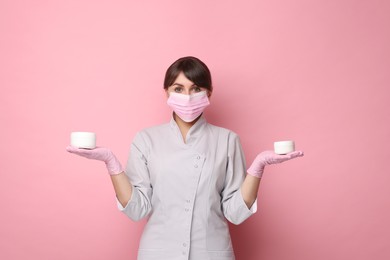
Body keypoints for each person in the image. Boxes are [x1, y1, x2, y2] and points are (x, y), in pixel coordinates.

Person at [66, 56, 304, 260]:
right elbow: (137, 210)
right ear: (166, 92)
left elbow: (235, 212)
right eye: (178, 89)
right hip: (158, 252)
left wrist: (258, 168)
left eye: (196, 88)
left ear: (208, 93)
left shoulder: (227, 140)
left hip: (211, 252)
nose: (187, 96)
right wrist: (111, 163)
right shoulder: (146, 139)